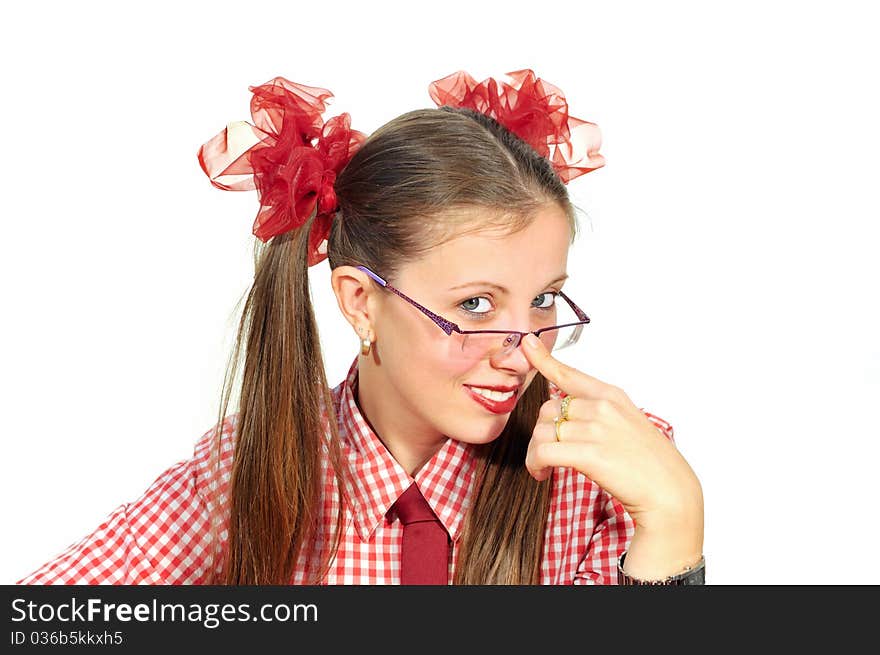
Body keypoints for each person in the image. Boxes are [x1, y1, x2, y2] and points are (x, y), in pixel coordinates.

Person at [18, 69, 704, 586]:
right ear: (360, 302)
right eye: (474, 306)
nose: (522, 352)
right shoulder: (252, 468)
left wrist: (674, 522)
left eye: (546, 299)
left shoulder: (606, 473)